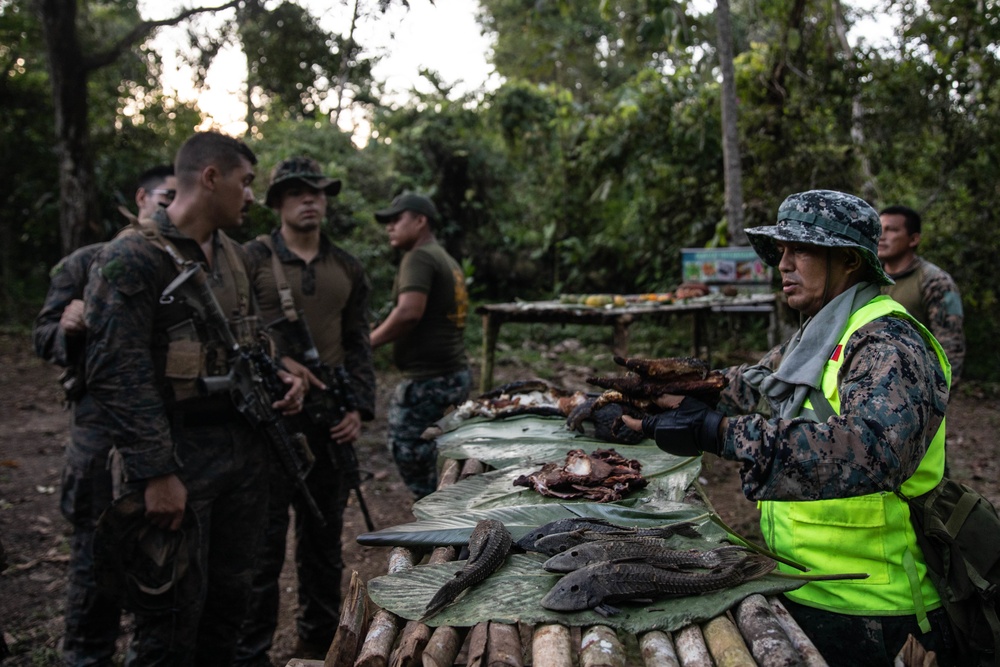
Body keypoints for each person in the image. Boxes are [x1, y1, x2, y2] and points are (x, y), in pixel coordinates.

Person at [623, 190, 956, 667]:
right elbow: (746, 387)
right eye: (781, 251)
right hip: (804, 583)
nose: (783, 264)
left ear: (847, 261)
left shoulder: (888, 340)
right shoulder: (817, 338)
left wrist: (720, 433)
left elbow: (872, 450)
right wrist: (639, 396)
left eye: (800, 250)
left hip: (878, 610)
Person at [83, 132, 306, 666]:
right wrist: (156, 472)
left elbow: (242, 342)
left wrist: (280, 377)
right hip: (177, 458)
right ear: (210, 178)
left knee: (232, 604)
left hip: (241, 454)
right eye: (245, 182)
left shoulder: (232, 255)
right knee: (170, 618)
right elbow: (116, 372)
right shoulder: (133, 256)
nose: (251, 196)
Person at [31, 163, 175, 667]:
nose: (170, 207)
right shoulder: (87, 262)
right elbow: (40, 336)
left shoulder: (185, 268)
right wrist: (66, 328)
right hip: (97, 441)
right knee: (94, 582)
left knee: (162, 581)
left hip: (163, 442)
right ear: (142, 197)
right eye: (164, 196)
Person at [236, 157, 376, 663]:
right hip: (267, 418)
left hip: (329, 420)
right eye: (297, 192)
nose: (311, 200)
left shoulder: (347, 267)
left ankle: (315, 644)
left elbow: (359, 340)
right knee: (261, 546)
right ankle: (250, 651)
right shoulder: (247, 259)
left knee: (322, 546)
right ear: (276, 202)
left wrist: (358, 408)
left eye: (318, 192)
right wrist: (277, 359)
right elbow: (232, 328)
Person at [370, 192, 471, 499]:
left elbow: (408, 312)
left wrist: (367, 342)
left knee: (407, 445)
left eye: (396, 219)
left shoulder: (419, 256)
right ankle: (443, 500)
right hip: (453, 373)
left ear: (420, 220)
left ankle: (431, 504)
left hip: (430, 379)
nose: (389, 227)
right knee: (438, 445)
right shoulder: (445, 258)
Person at [877, 204, 965, 382]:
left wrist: (936, 394)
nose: (882, 236)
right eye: (879, 229)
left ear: (914, 239)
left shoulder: (935, 281)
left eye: (891, 230)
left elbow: (950, 345)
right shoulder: (868, 277)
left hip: (912, 386)